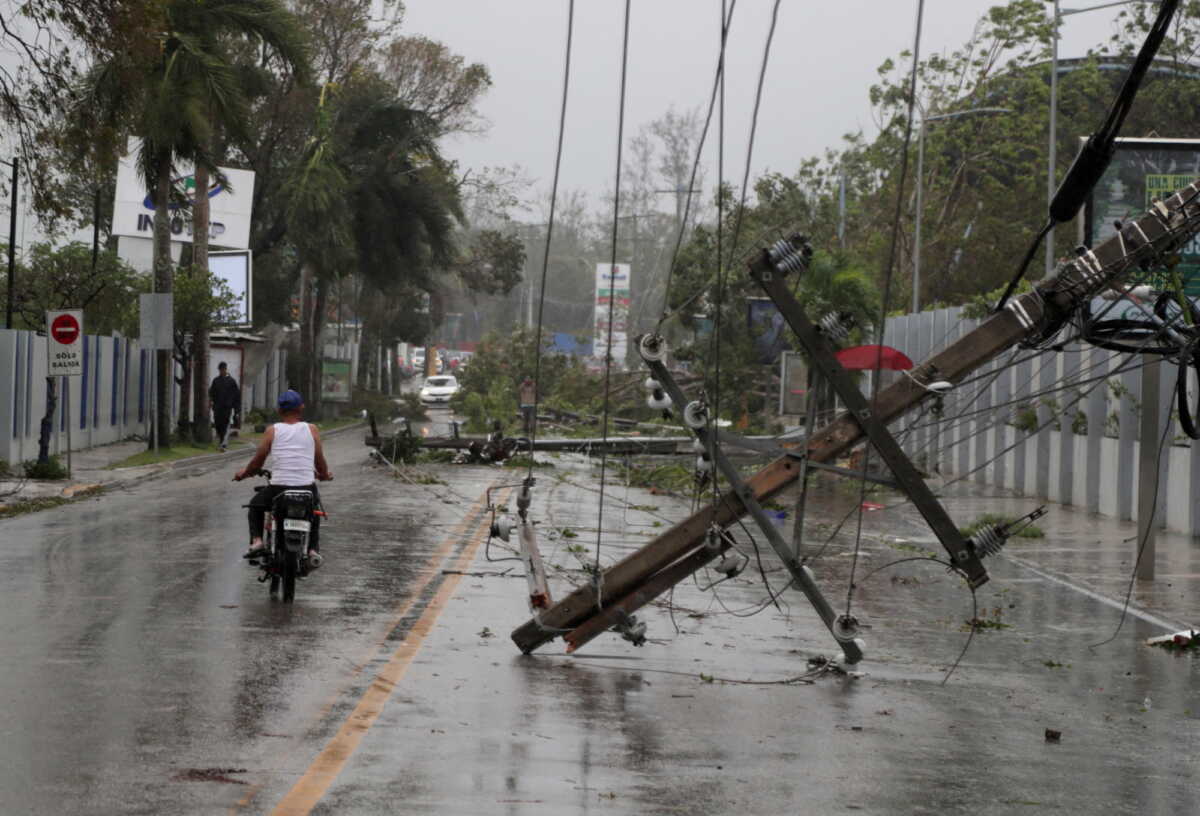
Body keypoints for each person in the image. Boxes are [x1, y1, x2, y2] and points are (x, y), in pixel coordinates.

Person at [234, 389, 333, 568]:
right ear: (301, 408)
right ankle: (312, 549)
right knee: (314, 511)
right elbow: (319, 460)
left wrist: (245, 473)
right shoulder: (312, 429)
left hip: (278, 489)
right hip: (306, 487)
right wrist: (324, 475)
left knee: (255, 506)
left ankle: (257, 541)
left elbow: (258, 460)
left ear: (279, 410)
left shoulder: (272, 431)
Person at [209, 361, 241, 451]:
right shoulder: (216, 381)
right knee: (218, 424)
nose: (221, 371)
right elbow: (211, 392)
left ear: (226, 369)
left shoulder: (231, 382)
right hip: (217, 407)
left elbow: (236, 396)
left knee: (225, 424)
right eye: (220, 370)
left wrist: (237, 410)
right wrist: (211, 401)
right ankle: (221, 440)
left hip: (227, 407)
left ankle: (223, 443)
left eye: (223, 369)